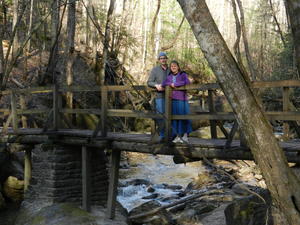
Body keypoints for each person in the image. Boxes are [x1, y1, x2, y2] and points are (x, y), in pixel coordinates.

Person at [162, 60, 192, 143]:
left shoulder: (183, 74)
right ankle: (178, 136)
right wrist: (170, 83)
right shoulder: (169, 76)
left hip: (182, 99)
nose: (173, 67)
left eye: (175, 66)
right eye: (171, 66)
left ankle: (185, 136)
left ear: (178, 67)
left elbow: (187, 82)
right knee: (175, 118)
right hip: (173, 99)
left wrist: (175, 84)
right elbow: (163, 84)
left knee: (184, 116)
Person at [147, 52, 170, 141]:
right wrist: (156, 85)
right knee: (160, 115)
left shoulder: (170, 69)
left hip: (170, 96)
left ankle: (169, 134)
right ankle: (162, 134)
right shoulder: (155, 70)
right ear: (159, 60)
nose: (163, 59)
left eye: (164, 58)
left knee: (170, 115)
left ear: (166, 59)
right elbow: (149, 82)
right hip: (159, 96)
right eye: (161, 58)